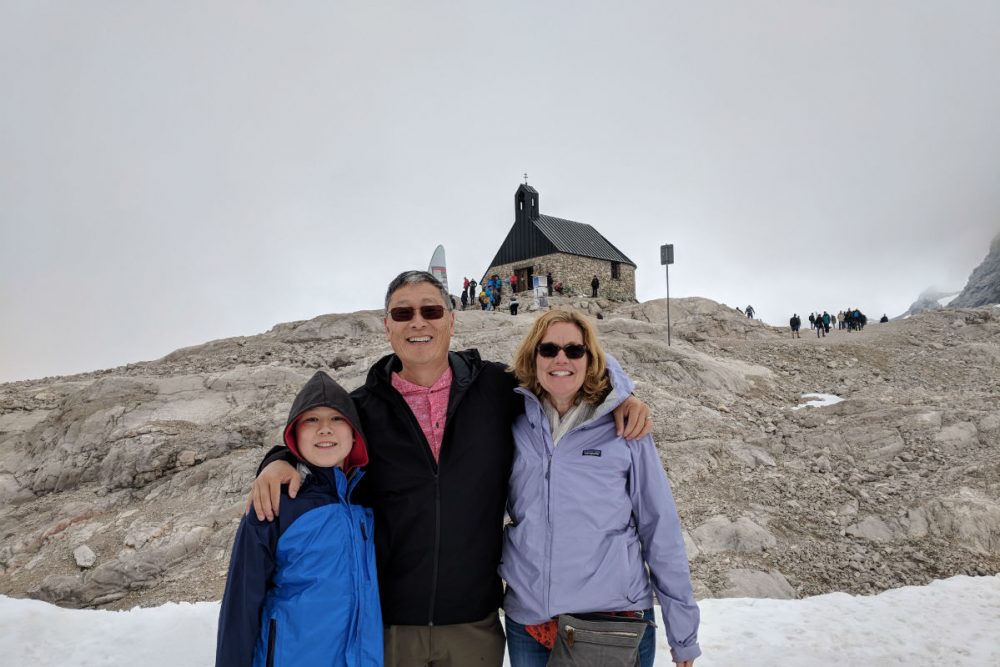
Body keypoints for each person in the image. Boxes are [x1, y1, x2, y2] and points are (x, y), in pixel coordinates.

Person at [248, 271, 652, 667]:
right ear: (387, 325)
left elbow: (563, 369)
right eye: (403, 314)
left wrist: (623, 394)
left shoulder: (496, 388)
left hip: (473, 623)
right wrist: (278, 460)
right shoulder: (363, 408)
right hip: (389, 625)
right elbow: (317, 440)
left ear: (451, 319)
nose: (418, 322)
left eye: (431, 311)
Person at [503, 309, 701, 667]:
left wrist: (682, 631)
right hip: (531, 622)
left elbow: (659, 526)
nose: (561, 359)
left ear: (590, 359)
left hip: (613, 622)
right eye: (548, 350)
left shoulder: (625, 428)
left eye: (574, 350)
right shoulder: (512, 423)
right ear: (533, 358)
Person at [217, 371, 381, 666]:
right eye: (311, 420)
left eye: (337, 419)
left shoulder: (365, 500)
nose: (325, 430)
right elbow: (241, 604)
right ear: (294, 434)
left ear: (354, 432)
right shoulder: (275, 502)